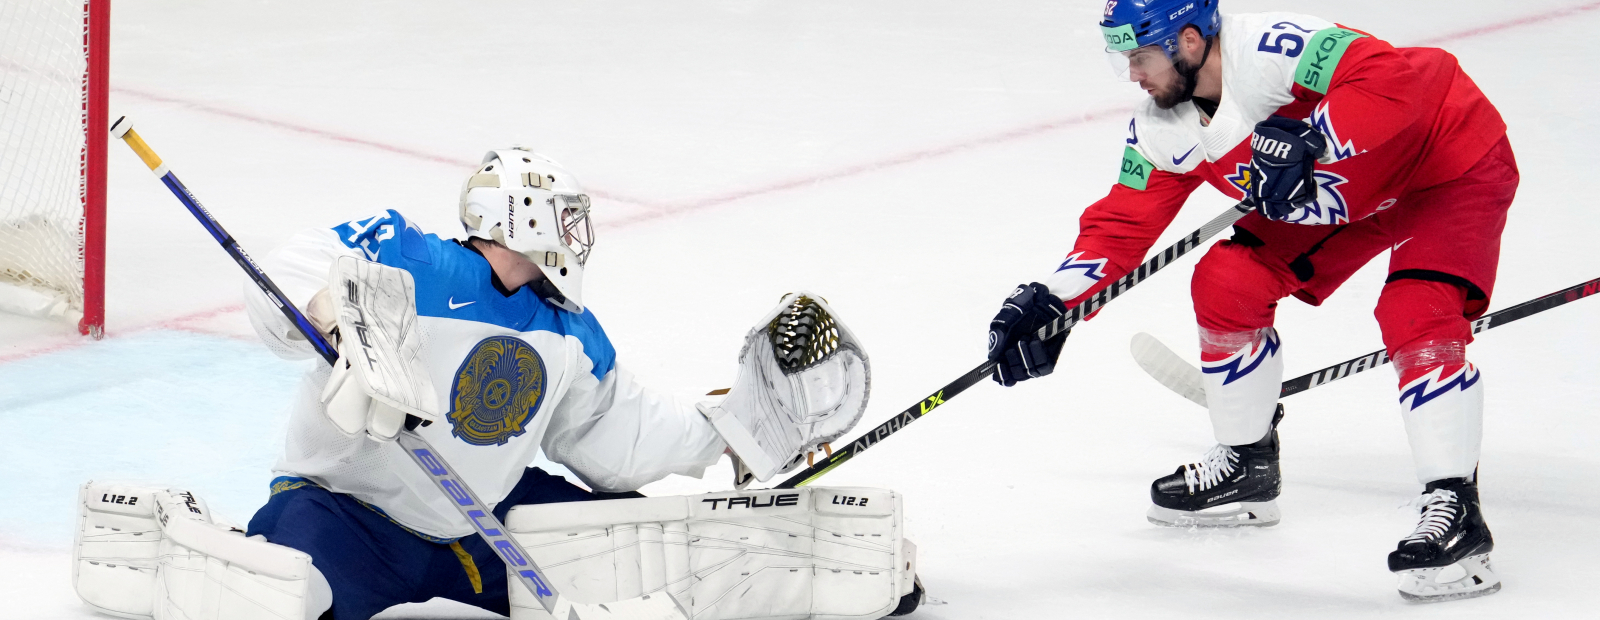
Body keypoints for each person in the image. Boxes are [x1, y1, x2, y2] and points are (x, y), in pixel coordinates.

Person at [71, 148, 888, 620]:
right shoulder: (408, 254)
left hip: (481, 522)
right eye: (562, 217)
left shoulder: (569, 330)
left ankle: (839, 573)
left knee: (654, 550)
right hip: (349, 513)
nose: (576, 236)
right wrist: (336, 314)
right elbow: (290, 270)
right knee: (280, 594)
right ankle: (169, 540)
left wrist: (730, 427)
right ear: (523, 220)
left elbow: (618, 438)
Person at [984, 0, 1514, 602]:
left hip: (1448, 161)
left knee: (1417, 312)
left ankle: (1457, 513)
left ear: (1187, 40)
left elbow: (1395, 77)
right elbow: (1120, 227)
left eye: (1139, 57)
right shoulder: (1162, 127)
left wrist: (1315, 137)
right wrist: (1053, 302)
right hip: (1351, 199)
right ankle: (1247, 465)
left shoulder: (1267, 47)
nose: (1133, 75)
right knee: (1227, 279)